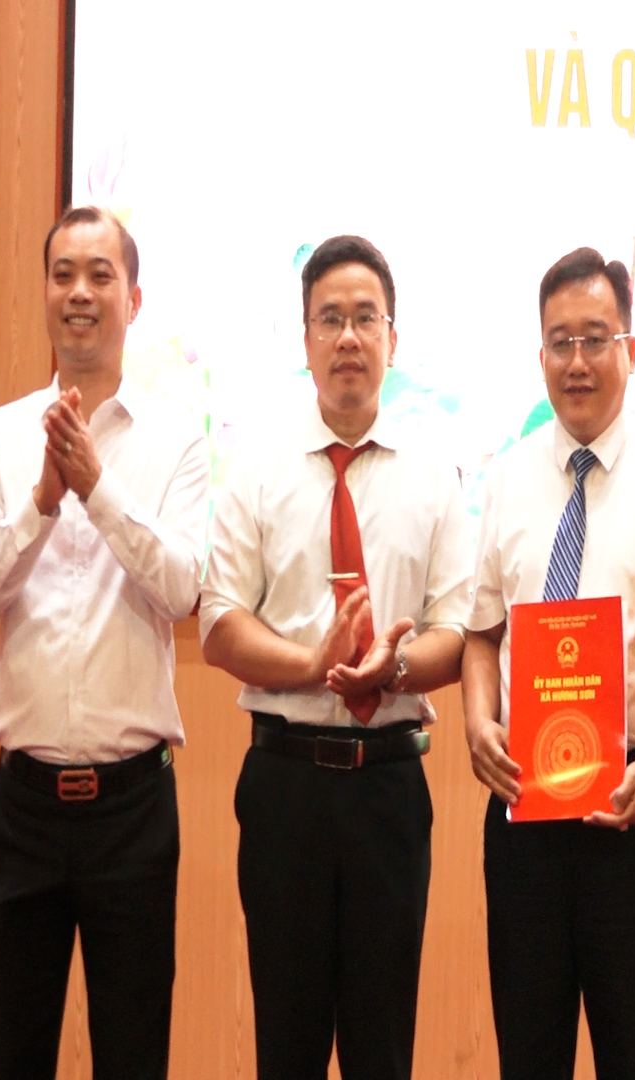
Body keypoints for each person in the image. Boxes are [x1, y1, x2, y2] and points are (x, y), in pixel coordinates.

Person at [198, 235, 473, 1080]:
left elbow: (458, 631)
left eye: (365, 318)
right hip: (285, 788)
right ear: (306, 339)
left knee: (380, 1050)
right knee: (286, 1046)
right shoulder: (256, 469)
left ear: (393, 337)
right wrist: (311, 664)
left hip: (389, 789)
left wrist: (394, 669)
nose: (348, 337)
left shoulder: (434, 475)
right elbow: (218, 623)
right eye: (330, 319)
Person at [0, 205, 209, 1079]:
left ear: (134, 300)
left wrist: (97, 489)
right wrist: (40, 502)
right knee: (13, 1056)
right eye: (63, 274)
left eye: (101, 275)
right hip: (21, 808)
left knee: (132, 1058)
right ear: (44, 294)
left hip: (133, 812)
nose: (80, 293)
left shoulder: (176, 440)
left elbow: (182, 589)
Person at [461, 247, 635, 1080]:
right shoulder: (505, 477)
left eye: (596, 338)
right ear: (540, 357)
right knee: (529, 1055)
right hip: (524, 808)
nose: (577, 361)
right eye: (560, 342)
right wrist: (477, 722)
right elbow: (481, 632)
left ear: (630, 349)